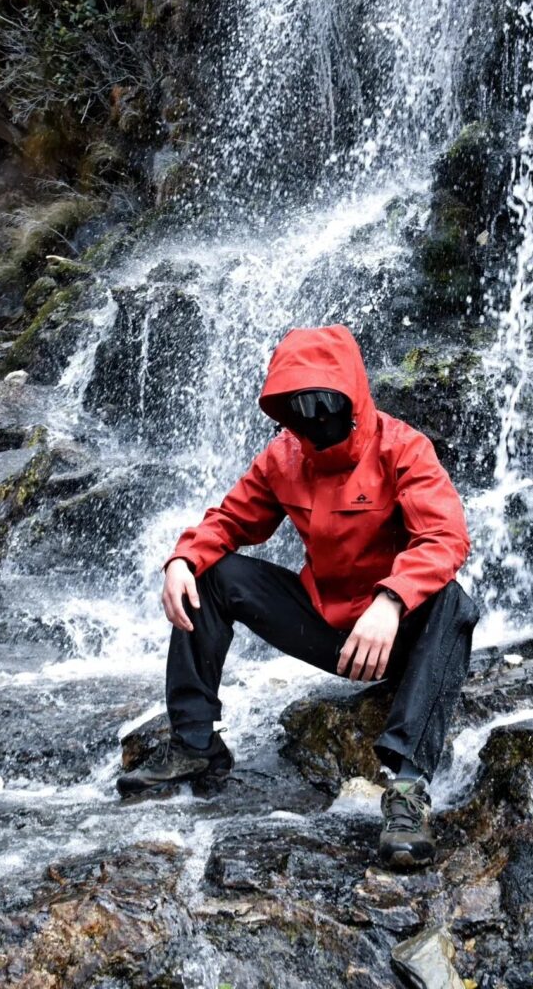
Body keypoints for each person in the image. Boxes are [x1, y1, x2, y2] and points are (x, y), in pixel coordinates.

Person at [117, 324, 479, 868]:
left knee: (454, 602)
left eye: (322, 405)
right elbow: (228, 520)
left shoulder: (402, 448)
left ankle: (406, 790)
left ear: (352, 397)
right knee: (213, 574)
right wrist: (181, 559)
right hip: (328, 629)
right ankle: (195, 745)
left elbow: (446, 537)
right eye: (297, 410)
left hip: (395, 636)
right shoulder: (283, 456)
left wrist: (392, 601)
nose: (312, 423)